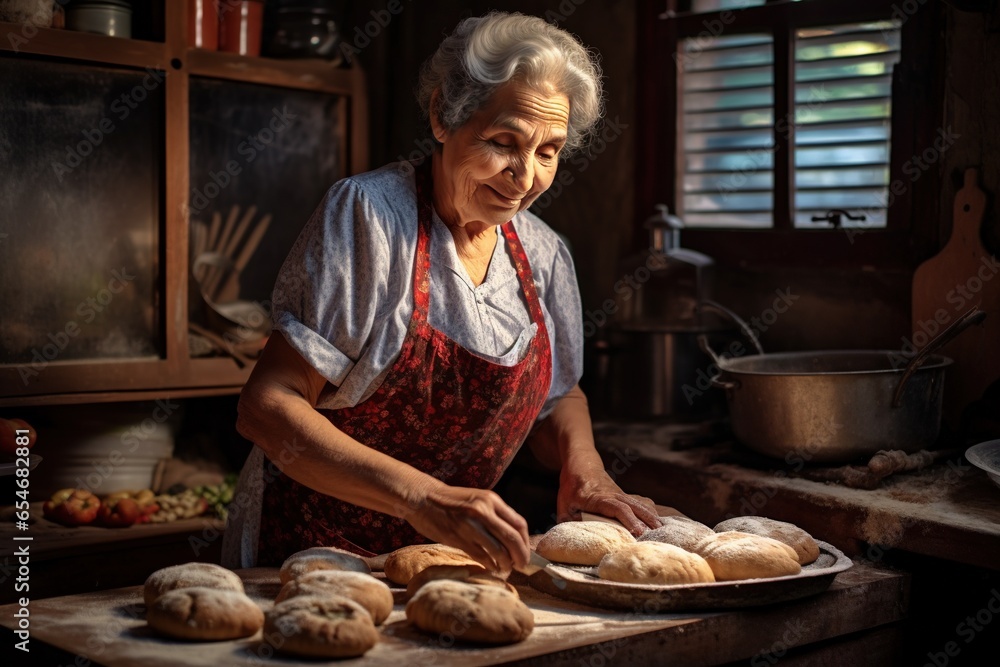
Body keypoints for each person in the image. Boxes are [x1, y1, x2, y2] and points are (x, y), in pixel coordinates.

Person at [222, 11, 660, 575]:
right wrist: (423, 498)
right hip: (310, 549)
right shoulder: (371, 219)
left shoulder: (545, 255)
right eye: (505, 142)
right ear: (441, 116)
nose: (524, 178)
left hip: (443, 558)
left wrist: (585, 469)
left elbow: (560, 396)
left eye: (548, 152)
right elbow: (267, 406)